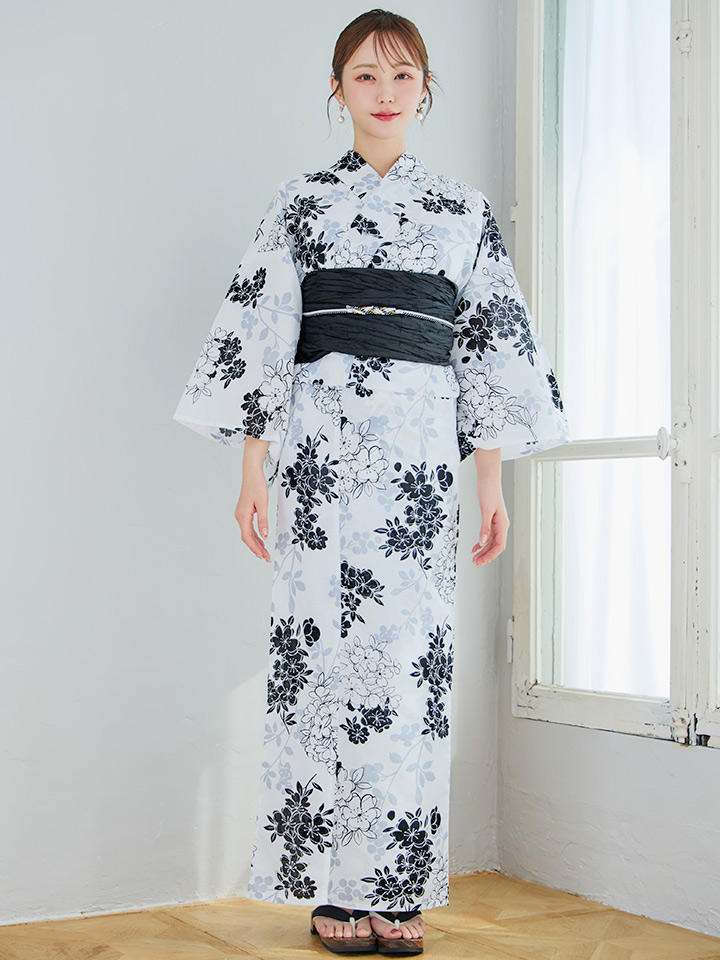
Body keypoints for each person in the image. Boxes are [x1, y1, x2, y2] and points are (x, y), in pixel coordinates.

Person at [173, 8, 570, 955]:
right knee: (318, 659)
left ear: (426, 89)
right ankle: (330, 887)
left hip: (417, 464)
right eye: (364, 75)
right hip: (318, 458)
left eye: (401, 76)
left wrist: (491, 487)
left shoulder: (464, 212)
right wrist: (253, 470)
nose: (384, 93)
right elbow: (265, 335)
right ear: (337, 89)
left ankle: (397, 887)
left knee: (408, 664)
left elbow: (487, 353)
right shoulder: (300, 203)